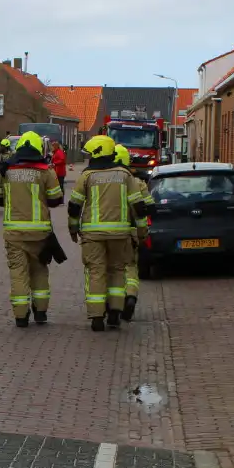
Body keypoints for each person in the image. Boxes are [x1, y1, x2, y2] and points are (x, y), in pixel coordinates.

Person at [68, 136, 146, 331]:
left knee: (96, 272)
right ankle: (114, 313)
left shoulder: (87, 176)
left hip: (92, 235)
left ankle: (96, 317)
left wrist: (73, 229)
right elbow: (138, 206)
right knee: (117, 271)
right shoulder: (125, 175)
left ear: (97, 153)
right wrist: (142, 231)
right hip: (120, 234)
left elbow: (74, 206)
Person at [0, 132, 64, 327]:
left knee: (18, 273)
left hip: (14, 233)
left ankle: (21, 316)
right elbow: (56, 199)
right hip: (40, 234)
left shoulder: (5, 170)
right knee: (39, 271)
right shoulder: (46, 171)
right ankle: (40, 313)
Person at [115, 143, 153, 321]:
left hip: (110, 232)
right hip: (131, 233)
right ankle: (130, 296)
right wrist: (142, 233)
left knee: (112, 269)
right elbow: (147, 208)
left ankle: (113, 305)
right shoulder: (138, 182)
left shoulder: (104, 182)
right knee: (130, 268)